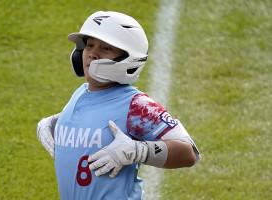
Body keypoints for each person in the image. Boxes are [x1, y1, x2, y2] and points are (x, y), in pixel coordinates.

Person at [36, 11, 200, 200]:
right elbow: (96, 117)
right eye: (89, 45)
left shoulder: (137, 105)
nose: (92, 54)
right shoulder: (80, 94)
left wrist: (139, 150)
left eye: (105, 48)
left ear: (128, 58)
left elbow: (189, 153)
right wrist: (57, 122)